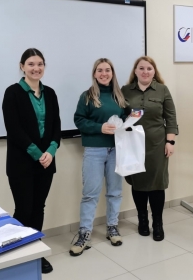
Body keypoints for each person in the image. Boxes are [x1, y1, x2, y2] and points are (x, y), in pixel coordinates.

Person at [2, 48, 61, 273]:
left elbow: (56, 127)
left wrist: (51, 151)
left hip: (47, 162)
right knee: (24, 209)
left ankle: (35, 253)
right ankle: (18, 255)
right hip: (22, 163)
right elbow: (14, 129)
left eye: (40, 64)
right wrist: (38, 154)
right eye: (31, 64)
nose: (36, 68)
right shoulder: (13, 93)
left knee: (38, 208)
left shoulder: (50, 93)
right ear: (22, 66)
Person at [70, 58, 128, 256]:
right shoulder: (87, 96)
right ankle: (84, 233)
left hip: (116, 150)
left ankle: (112, 227)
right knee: (90, 194)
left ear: (112, 73)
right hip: (94, 150)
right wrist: (99, 128)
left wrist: (129, 121)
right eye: (100, 70)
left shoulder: (119, 96)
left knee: (115, 192)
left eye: (107, 70)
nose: (104, 74)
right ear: (94, 74)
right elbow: (79, 120)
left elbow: (126, 118)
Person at [122, 56, 178, 241]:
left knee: (156, 185)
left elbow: (171, 118)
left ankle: (158, 223)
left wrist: (170, 142)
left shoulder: (162, 90)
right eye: (141, 68)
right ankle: (143, 220)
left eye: (149, 68)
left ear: (154, 71)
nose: (145, 71)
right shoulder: (125, 90)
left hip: (157, 145)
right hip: (133, 146)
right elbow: (120, 116)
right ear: (135, 71)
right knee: (138, 184)